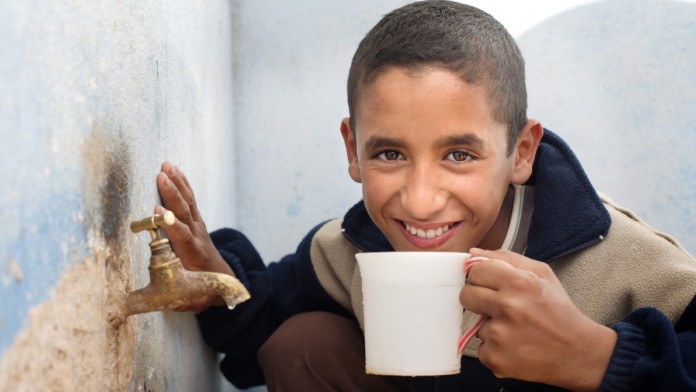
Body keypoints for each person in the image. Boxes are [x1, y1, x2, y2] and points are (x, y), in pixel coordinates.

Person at [155, 1, 696, 391]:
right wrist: (218, 282)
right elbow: (266, 324)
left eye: (459, 155)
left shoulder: (620, 258)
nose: (419, 202)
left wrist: (601, 359)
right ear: (353, 149)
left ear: (522, 152)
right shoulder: (351, 250)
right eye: (390, 154)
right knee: (304, 342)